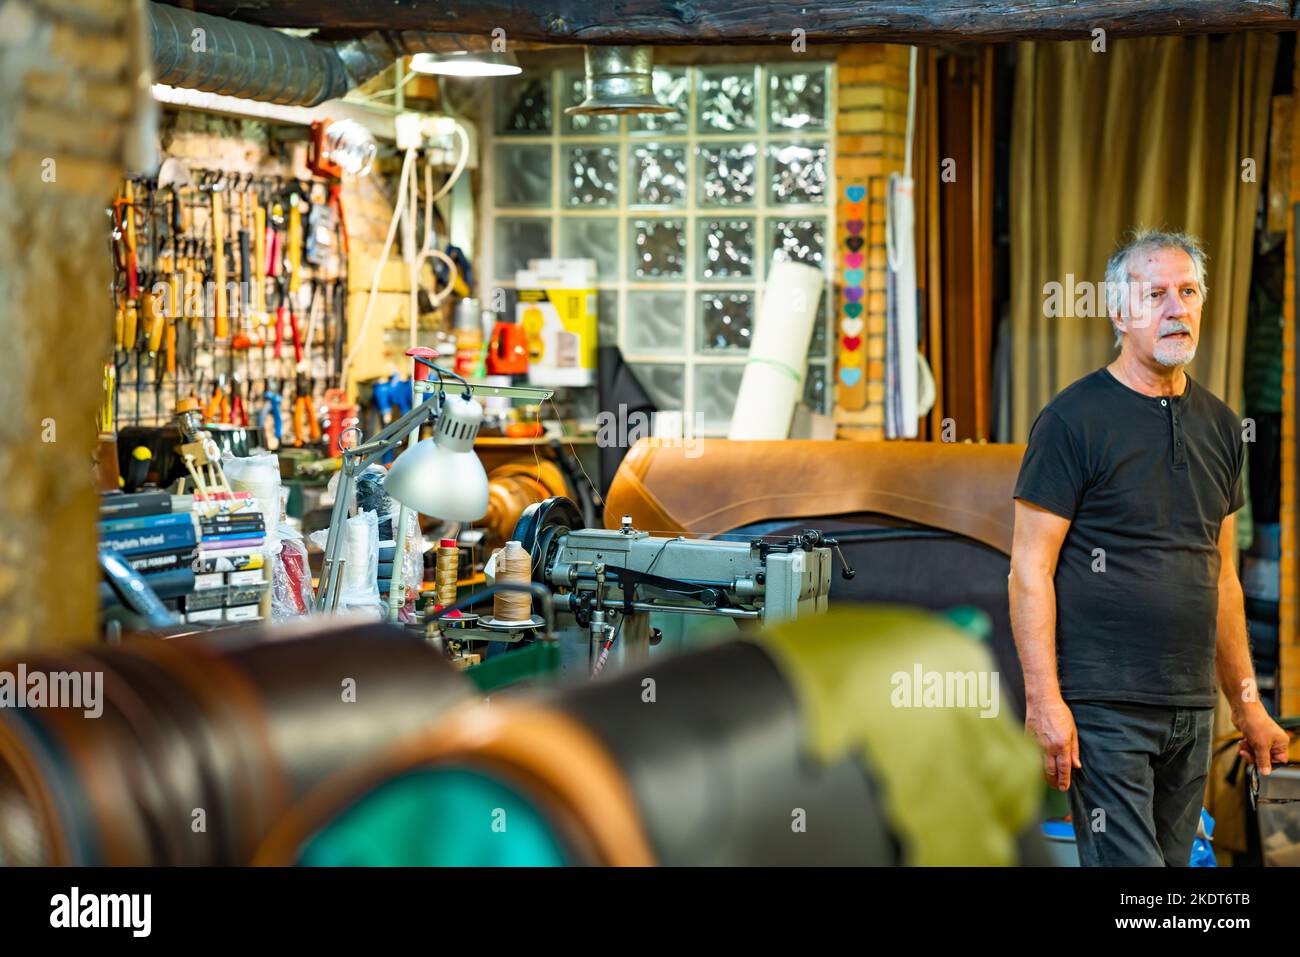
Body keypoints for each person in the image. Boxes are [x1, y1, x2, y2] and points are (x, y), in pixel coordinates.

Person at [1009, 229, 1289, 866]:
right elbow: (1030, 568)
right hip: (1105, 708)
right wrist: (1045, 699)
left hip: (1192, 708)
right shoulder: (1071, 420)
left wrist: (1247, 706)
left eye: (1187, 291)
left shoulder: (1222, 426)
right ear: (1119, 313)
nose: (1175, 307)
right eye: (1155, 293)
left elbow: (1221, 581)